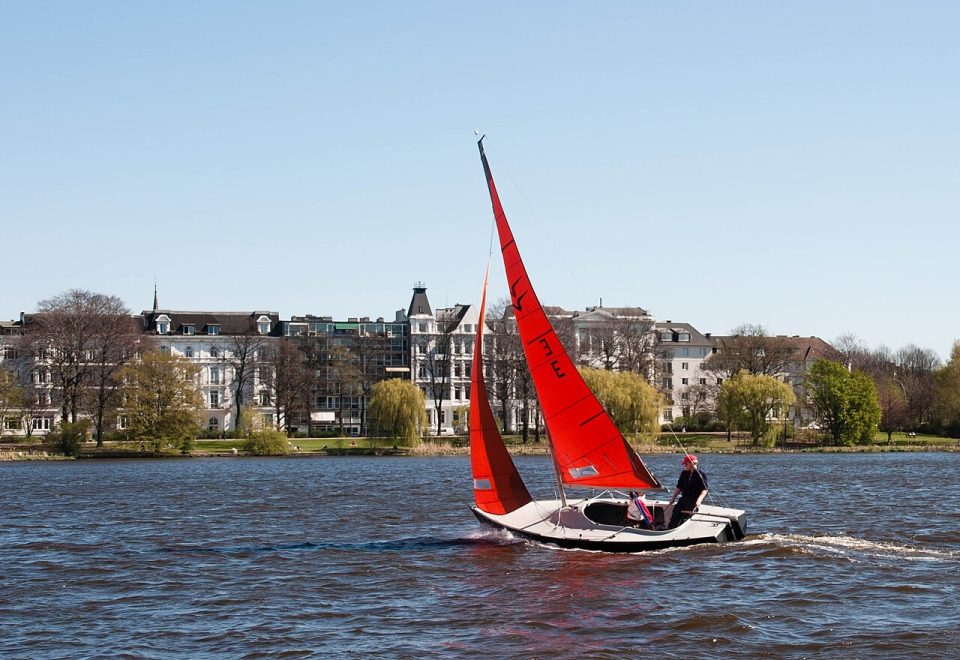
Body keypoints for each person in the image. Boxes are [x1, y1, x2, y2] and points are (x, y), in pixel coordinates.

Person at [667, 454, 708, 529]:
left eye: (685, 464)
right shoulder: (684, 473)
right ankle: (670, 529)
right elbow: (679, 487)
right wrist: (673, 498)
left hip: (693, 500)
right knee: (675, 513)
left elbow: (704, 490)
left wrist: (698, 501)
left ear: (691, 463)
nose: (684, 466)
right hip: (684, 498)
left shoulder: (701, 474)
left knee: (686, 518)